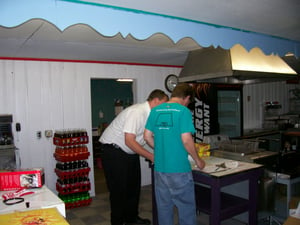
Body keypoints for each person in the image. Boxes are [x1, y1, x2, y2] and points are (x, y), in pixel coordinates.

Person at [99, 89, 169, 225]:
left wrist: (162, 152)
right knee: (119, 192)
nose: (166, 107)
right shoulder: (138, 112)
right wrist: (151, 156)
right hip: (114, 151)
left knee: (133, 188)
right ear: (156, 101)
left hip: (129, 152)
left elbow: (149, 138)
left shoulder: (152, 116)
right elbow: (129, 140)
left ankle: (132, 219)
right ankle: (117, 222)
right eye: (164, 103)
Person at [144, 83, 206, 225]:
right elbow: (186, 139)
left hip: (160, 169)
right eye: (189, 101)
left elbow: (147, 136)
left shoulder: (155, 111)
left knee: (164, 208)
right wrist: (198, 160)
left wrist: (160, 149)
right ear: (187, 98)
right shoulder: (183, 111)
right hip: (179, 170)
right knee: (186, 209)